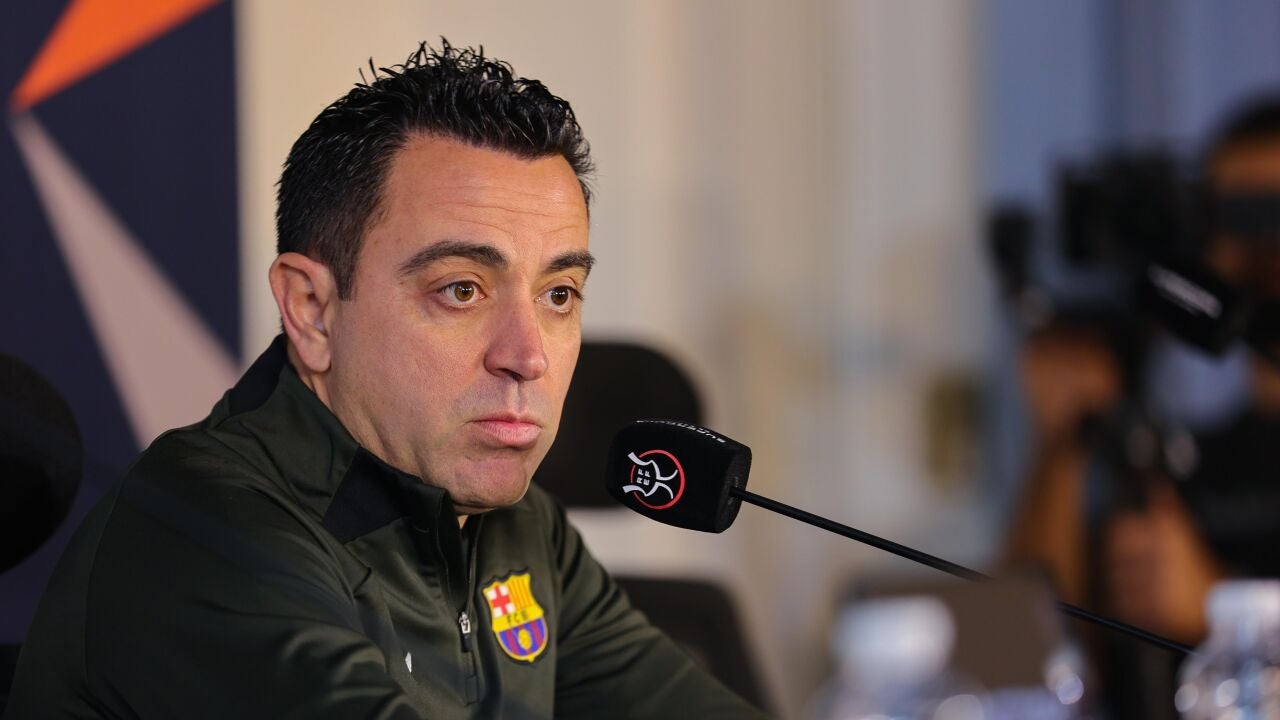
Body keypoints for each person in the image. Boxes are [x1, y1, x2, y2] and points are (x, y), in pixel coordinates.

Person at [4, 42, 764, 719]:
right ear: (312, 311)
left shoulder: (520, 527)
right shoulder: (197, 531)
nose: (527, 356)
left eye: (558, 294)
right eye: (461, 289)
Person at [1004, 95, 1280, 717]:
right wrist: (1061, 446)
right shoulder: (1171, 463)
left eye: (1274, 213)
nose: (1264, 251)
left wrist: (1217, 609)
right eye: (1235, 218)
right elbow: (1021, 669)